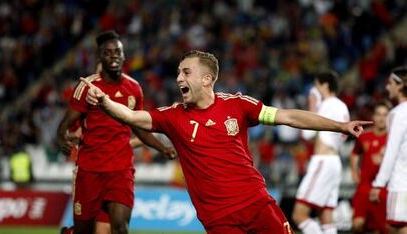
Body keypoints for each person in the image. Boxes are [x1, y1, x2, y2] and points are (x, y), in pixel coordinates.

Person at [81, 50, 372, 234]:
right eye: (178, 72)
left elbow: (289, 117)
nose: (178, 77)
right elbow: (132, 117)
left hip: (257, 204)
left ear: (207, 79)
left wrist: (340, 126)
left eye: (186, 71)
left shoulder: (238, 105)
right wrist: (104, 101)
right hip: (218, 219)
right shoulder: (172, 116)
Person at [57, 31, 175, 234]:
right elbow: (66, 122)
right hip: (90, 170)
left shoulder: (134, 88)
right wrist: (61, 138)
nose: (113, 56)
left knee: (120, 228)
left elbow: (139, 127)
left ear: (124, 55)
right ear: (99, 57)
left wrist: (162, 148)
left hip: (121, 170)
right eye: (107, 52)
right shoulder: (87, 87)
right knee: (84, 231)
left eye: (117, 52)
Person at [292, 71, 350, 234]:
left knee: (299, 215)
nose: (314, 89)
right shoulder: (342, 105)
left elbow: (307, 133)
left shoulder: (326, 105)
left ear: (324, 85)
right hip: (335, 162)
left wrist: (312, 105)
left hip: (322, 161)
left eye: (316, 85)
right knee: (326, 216)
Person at [370, 67, 407, 234]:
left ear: (400, 86)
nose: (387, 87)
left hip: (401, 182)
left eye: (390, 83)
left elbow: (391, 152)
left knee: (398, 228)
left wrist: (378, 184)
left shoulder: (397, 114)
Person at [350, 102, 390, 234]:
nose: (381, 118)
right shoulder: (364, 136)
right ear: (374, 116)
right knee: (357, 224)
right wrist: (354, 171)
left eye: (385, 115)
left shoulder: (393, 138)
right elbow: (355, 153)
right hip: (364, 187)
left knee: (380, 229)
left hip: (384, 189)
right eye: (378, 114)